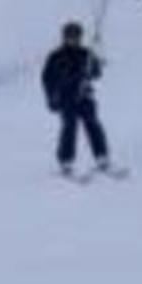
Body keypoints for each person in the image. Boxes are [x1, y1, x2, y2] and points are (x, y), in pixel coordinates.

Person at [41, 21, 112, 178]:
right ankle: (66, 161)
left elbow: (96, 74)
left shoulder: (85, 53)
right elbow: (47, 79)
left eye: (76, 37)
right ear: (64, 37)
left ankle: (101, 156)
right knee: (69, 127)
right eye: (70, 37)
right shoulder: (55, 56)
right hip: (66, 97)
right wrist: (51, 98)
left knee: (93, 123)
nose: (73, 40)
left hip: (84, 96)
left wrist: (95, 63)